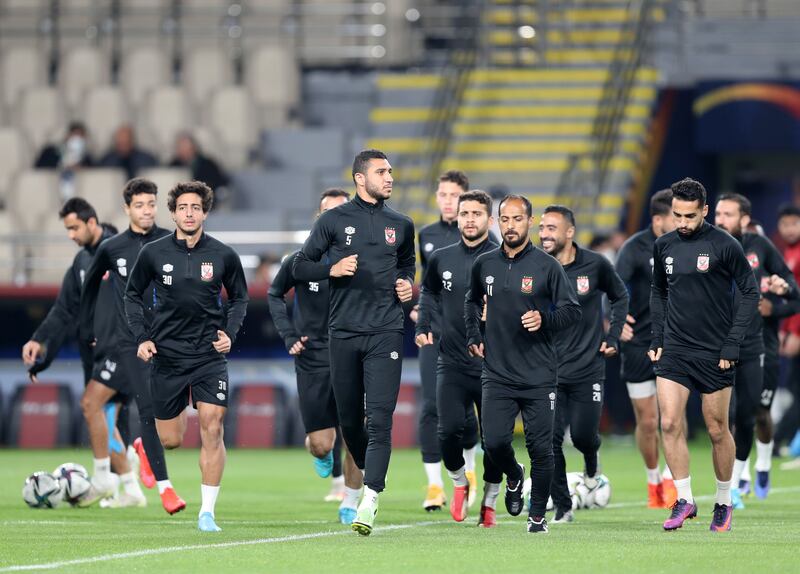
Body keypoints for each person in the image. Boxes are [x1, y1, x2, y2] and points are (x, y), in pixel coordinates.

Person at [293, 149, 415, 536]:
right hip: (343, 333)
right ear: (360, 179)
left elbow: (407, 263)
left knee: (379, 420)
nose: (390, 177)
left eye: (391, 171)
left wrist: (406, 283)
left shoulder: (402, 223)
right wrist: (331, 268)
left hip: (386, 332)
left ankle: (370, 497)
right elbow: (299, 266)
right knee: (349, 422)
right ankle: (368, 473)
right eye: (382, 171)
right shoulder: (332, 222)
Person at [124, 181, 249, 532]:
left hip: (209, 356)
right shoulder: (153, 253)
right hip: (168, 356)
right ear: (174, 213)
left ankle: (207, 512)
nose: (189, 213)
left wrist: (229, 332)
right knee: (171, 440)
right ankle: (144, 446)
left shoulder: (224, 255)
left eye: (195, 207)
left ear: (205, 212)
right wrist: (142, 337)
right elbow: (132, 296)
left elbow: (240, 298)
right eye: (182, 208)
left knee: (213, 426)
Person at [465, 194, 581, 534]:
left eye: (517, 219)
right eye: (505, 219)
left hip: (539, 374)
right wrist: (475, 335)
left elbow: (572, 311)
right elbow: (471, 301)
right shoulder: (484, 264)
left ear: (528, 222)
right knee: (495, 443)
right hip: (497, 373)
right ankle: (514, 475)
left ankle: (537, 517)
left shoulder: (548, 267)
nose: (510, 226)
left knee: (541, 449)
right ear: (497, 222)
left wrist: (544, 318)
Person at [649, 177, 759, 532]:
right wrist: (657, 335)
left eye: (689, 216)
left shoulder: (724, 245)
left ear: (705, 211)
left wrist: (733, 342)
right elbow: (659, 292)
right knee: (668, 422)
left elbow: (749, 292)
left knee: (715, 429)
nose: (682, 223)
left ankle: (723, 502)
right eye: (677, 215)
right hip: (676, 349)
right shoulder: (664, 245)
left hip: (715, 352)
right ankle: (684, 499)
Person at [20, 198, 141, 507]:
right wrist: (40, 340)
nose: (71, 235)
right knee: (106, 416)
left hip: (123, 348)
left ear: (91, 222)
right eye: (67, 229)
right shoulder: (81, 263)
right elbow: (64, 310)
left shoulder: (122, 250)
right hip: (98, 353)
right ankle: (128, 484)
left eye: (74, 227)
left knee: (96, 407)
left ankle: (113, 477)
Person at [79, 178, 187, 514]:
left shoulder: (171, 243)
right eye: (139, 205)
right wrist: (89, 330)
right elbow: (89, 288)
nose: (146, 211)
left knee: (174, 433)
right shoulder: (112, 249)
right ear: (127, 208)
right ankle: (165, 490)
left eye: (151, 204)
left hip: (169, 341)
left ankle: (141, 449)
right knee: (125, 408)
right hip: (131, 344)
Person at [268, 187, 364, 525]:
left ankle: (350, 502)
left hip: (353, 352)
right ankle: (322, 453)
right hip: (312, 356)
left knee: (355, 432)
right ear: (318, 218)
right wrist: (289, 334)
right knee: (322, 444)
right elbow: (274, 293)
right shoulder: (299, 261)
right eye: (328, 211)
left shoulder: (363, 260)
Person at [538, 204, 629, 524]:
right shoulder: (535, 265)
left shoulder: (595, 265)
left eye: (552, 228)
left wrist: (614, 336)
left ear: (569, 232)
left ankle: (592, 466)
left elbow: (620, 296)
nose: (544, 234)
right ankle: (563, 505)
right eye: (542, 228)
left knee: (582, 436)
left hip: (588, 367)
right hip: (546, 369)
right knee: (548, 440)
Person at [415, 189, 501, 526]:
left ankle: (490, 503)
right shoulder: (442, 257)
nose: (469, 220)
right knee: (447, 430)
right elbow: (430, 291)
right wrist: (423, 321)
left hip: (493, 366)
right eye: (464, 214)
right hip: (450, 360)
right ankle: (458, 483)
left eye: (476, 214)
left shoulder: (502, 257)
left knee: (494, 440)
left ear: (488, 220)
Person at [714, 193, 795, 507]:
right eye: (717, 214)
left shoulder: (761, 249)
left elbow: (794, 293)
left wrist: (774, 305)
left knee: (755, 414)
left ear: (744, 219)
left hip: (759, 346)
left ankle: (758, 467)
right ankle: (733, 481)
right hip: (715, 345)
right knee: (724, 417)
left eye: (727, 214)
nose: (720, 220)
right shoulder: (705, 247)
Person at [413, 169, 481, 511]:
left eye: (454, 195)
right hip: (435, 337)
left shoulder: (484, 243)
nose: (448, 201)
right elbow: (428, 287)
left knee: (468, 413)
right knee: (430, 406)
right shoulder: (426, 236)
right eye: (442, 194)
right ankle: (434, 486)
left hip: (470, 339)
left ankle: (470, 472)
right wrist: (420, 314)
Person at [615, 189, 678, 508]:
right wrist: (612, 320)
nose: (681, 220)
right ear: (657, 220)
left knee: (671, 417)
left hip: (677, 341)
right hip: (638, 343)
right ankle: (653, 479)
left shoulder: (685, 244)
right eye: (675, 215)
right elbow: (612, 288)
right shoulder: (635, 248)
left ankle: (671, 478)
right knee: (649, 421)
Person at [774, 204, 800, 456]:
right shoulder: (788, 252)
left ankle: (778, 439)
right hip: (792, 329)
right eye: (785, 224)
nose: (790, 229)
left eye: (794, 223)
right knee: (793, 389)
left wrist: (796, 333)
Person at [169, 132, 230, 205]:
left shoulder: (208, 164)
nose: (184, 150)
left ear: (194, 147)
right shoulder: (173, 164)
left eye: (187, 147)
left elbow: (220, 182)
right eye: (181, 147)